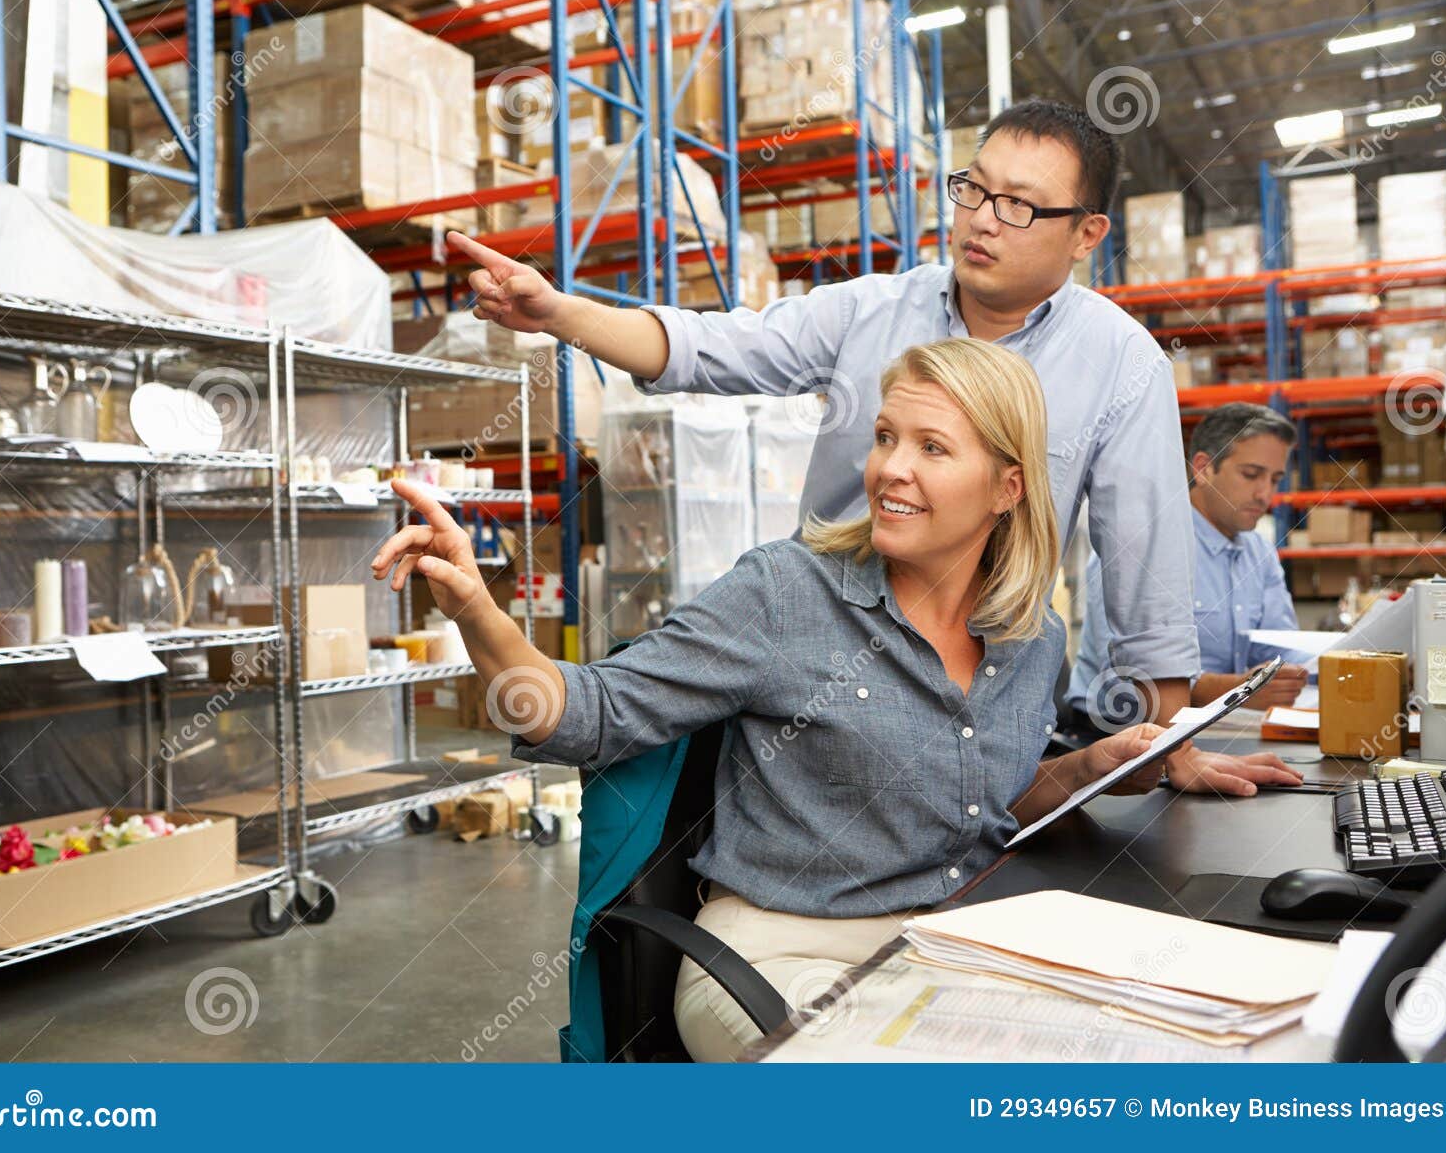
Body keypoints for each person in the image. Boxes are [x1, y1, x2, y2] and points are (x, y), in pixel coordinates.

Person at [372, 338, 1276, 1062]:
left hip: (946, 946)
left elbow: (978, 801)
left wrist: (1083, 770)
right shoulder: (787, 594)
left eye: (931, 447)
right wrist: (478, 610)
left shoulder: (1030, 637)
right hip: (775, 957)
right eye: (885, 437)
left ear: (1008, 487)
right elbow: (584, 714)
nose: (890, 468)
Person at [445, 98, 1297, 795]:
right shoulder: (872, 312)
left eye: (1020, 206)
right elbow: (715, 347)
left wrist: (1170, 740)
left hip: (986, 668)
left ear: (1086, 235)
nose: (982, 221)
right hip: (827, 646)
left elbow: (1146, 563)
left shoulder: (1120, 362)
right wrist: (558, 313)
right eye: (972, 190)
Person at [1068, 403, 1312, 730]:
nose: (1264, 493)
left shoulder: (1259, 551)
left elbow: (1280, 648)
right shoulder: (1142, 541)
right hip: (1116, 733)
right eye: (1251, 475)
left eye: (1275, 479)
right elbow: (1124, 679)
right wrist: (1231, 689)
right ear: (1203, 468)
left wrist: (1294, 674)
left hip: (1220, 723)